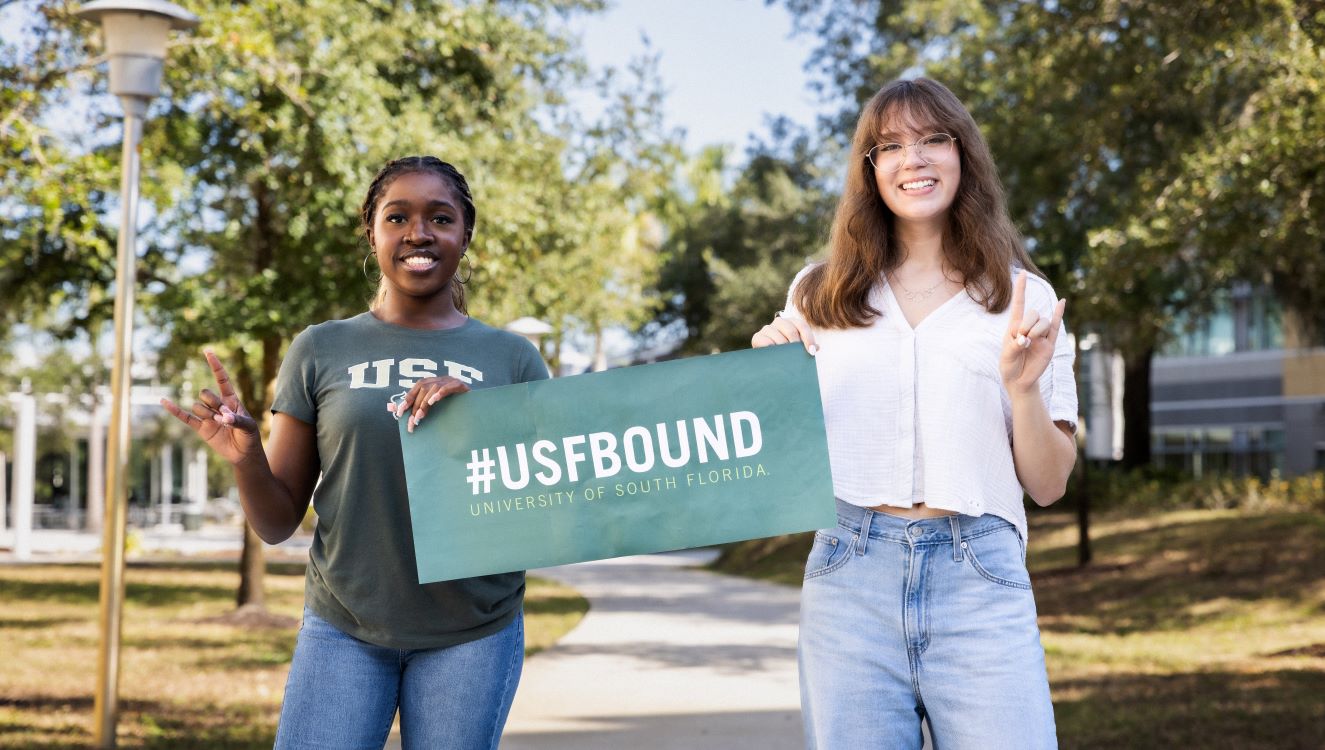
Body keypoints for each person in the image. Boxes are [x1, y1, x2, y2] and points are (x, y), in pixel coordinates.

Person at [162, 156, 549, 750]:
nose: (419, 232)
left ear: (465, 235)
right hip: (344, 626)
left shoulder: (515, 359)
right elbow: (275, 522)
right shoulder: (320, 348)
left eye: (440, 218)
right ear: (373, 234)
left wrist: (482, 424)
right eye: (398, 217)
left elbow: (545, 514)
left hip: (473, 631)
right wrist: (245, 458)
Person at [751, 78, 1077, 749]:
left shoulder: (1023, 298)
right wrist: (764, 369)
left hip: (979, 574)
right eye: (890, 146)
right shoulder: (818, 292)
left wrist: (1021, 390)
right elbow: (781, 448)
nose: (913, 159)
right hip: (849, 571)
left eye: (933, 139)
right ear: (869, 170)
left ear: (963, 156)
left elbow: (1047, 485)